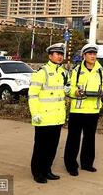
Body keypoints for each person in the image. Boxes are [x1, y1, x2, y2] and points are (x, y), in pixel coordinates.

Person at [64, 43, 103, 176]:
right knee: (73, 139)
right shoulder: (76, 70)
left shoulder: (101, 70)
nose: (93, 56)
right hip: (77, 111)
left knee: (90, 139)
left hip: (93, 111)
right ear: (84, 56)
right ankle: (71, 165)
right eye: (90, 54)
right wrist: (76, 92)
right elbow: (69, 88)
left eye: (94, 54)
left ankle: (87, 164)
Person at [28, 43, 69, 184]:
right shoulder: (42, 72)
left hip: (57, 118)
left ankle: (47, 170)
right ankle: (37, 172)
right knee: (40, 147)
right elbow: (32, 95)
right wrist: (35, 114)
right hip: (43, 118)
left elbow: (65, 90)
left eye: (61, 54)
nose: (59, 57)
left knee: (52, 148)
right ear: (50, 56)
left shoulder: (63, 72)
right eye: (57, 54)